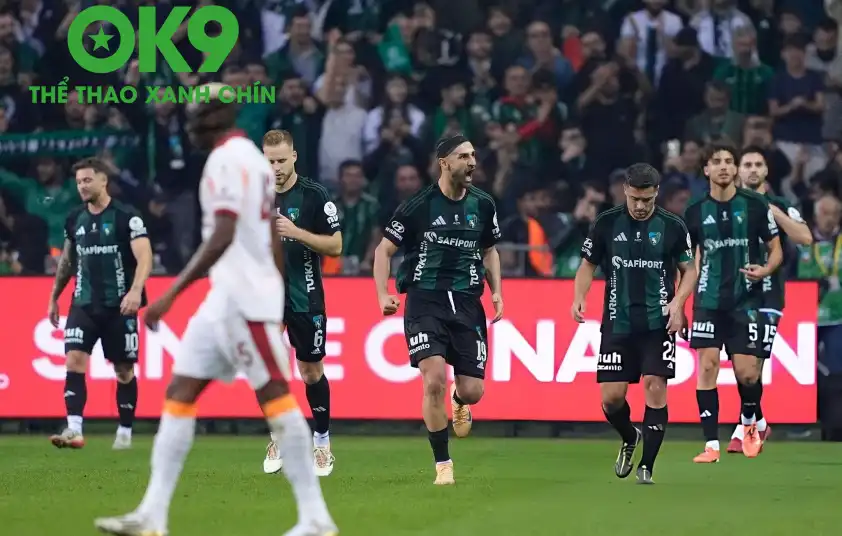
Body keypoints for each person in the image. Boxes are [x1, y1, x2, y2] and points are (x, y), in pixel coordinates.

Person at [94, 84, 337, 536]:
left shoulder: (226, 160)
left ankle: (316, 518)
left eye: (196, 115)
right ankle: (152, 514)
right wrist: (276, 285)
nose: (189, 124)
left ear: (217, 116)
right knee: (180, 392)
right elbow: (269, 232)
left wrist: (171, 293)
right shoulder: (253, 160)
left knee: (277, 397)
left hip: (243, 299)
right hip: (225, 298)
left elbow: (224, 232)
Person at [372, 134, 504, 486]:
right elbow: (383, 251)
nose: (472, 162)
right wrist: (383, 293)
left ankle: (460, 400)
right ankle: (443, 464)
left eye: (473, 155)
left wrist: (496, 292)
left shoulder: (483, 204)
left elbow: (489, 250)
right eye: (464, 156)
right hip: (425, 300)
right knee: (433, 380)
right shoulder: (418, 205)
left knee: (474, 391)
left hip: (467, 302)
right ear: (444, 163)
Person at [571, 163, 697, 485]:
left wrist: (678, 304)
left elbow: (689, 269)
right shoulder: (606, 222)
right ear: (625, 190)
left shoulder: (672, 226)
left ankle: (647, 466)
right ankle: (630, 436)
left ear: (657, 193)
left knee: (655, 386)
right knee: (611, 398)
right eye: (635, 199)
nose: (640, 206)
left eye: (647, 200)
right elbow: (587, 265)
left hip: (659, 322)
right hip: (618, 323)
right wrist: (579, 296)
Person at [684, 143, 783, 463]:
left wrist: (765, 270)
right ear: (706, 169)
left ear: (735, 168)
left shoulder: (755, 205)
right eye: (717, 161)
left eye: (729, 161)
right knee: (707, 366)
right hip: (708, 300)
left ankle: (752, 424)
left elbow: (776, 249)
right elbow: (688, 261)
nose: (724, 166)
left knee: (748, 374)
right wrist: (679, 301)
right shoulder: (695, 211)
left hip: (746, 299)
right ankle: (711, 445)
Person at [48, 156, 153, 451]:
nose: (82, 186)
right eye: (78, 181)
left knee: (123, 370)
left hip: (120, 306)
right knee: (74, 359)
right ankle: (74, 429)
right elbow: (67, 261)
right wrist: (54, 296)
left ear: (103, 180)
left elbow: (145, 256)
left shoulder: (126, 217)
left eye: (87, 180)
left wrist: (135, 291)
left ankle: (125, 432)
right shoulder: (74, 219)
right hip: (83, 303)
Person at [262, 129, 343, 477]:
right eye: (270, 161)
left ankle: (322, 443)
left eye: (282, 160)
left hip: (304, 294)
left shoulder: (314, 195)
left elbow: (336, 245)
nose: (276, 168)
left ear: (294, 157)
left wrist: (296, 233)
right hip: (265, 299)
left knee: (310, 372)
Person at [725, 146, 812, 453]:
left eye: (757, 164)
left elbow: (805, 238)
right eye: (747, 164)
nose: (752, 169)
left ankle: (744, 429)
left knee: (754, 366)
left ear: (765, 171)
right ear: (738, 170)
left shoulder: (781, 204)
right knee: (742, 368)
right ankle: (759, 422)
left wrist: (775, 214)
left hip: (768, 294)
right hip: (732, 295)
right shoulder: (726, 205)